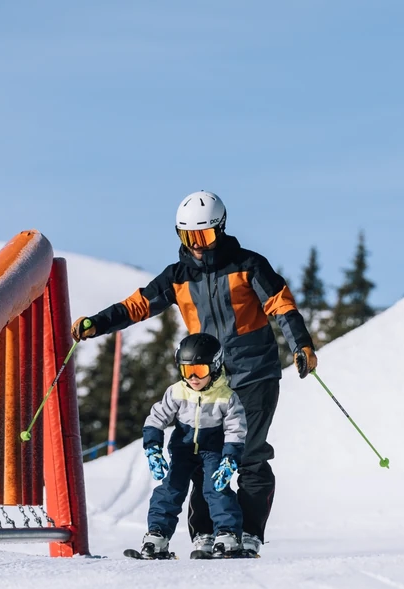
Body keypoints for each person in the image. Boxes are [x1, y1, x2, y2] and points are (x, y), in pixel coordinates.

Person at [73, 190, 318, 557]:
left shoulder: (248, 264)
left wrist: (301, 344)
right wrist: (99, 323)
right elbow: (137, 304)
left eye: (203, 237)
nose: (197, 246)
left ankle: (248, 532)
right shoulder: (178, 277)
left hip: (255, 373)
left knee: (249, 453)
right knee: (206, 454)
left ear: (220, 229)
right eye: (189, 238)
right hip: (207, 381)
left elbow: (280, 303)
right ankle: (206, 533)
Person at [137, 333, 247, 559]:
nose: (194, 378)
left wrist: (229, 459)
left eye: (200, 371)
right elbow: (156, 418)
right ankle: (157, 536)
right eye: (187, 371)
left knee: (216, 488)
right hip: (183, 449)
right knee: (170, 489)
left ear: (215, 367)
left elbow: (236, 429)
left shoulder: (226, 397)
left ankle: (227, 536)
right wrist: (153, 448)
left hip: (212, 450)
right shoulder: (177, 391)